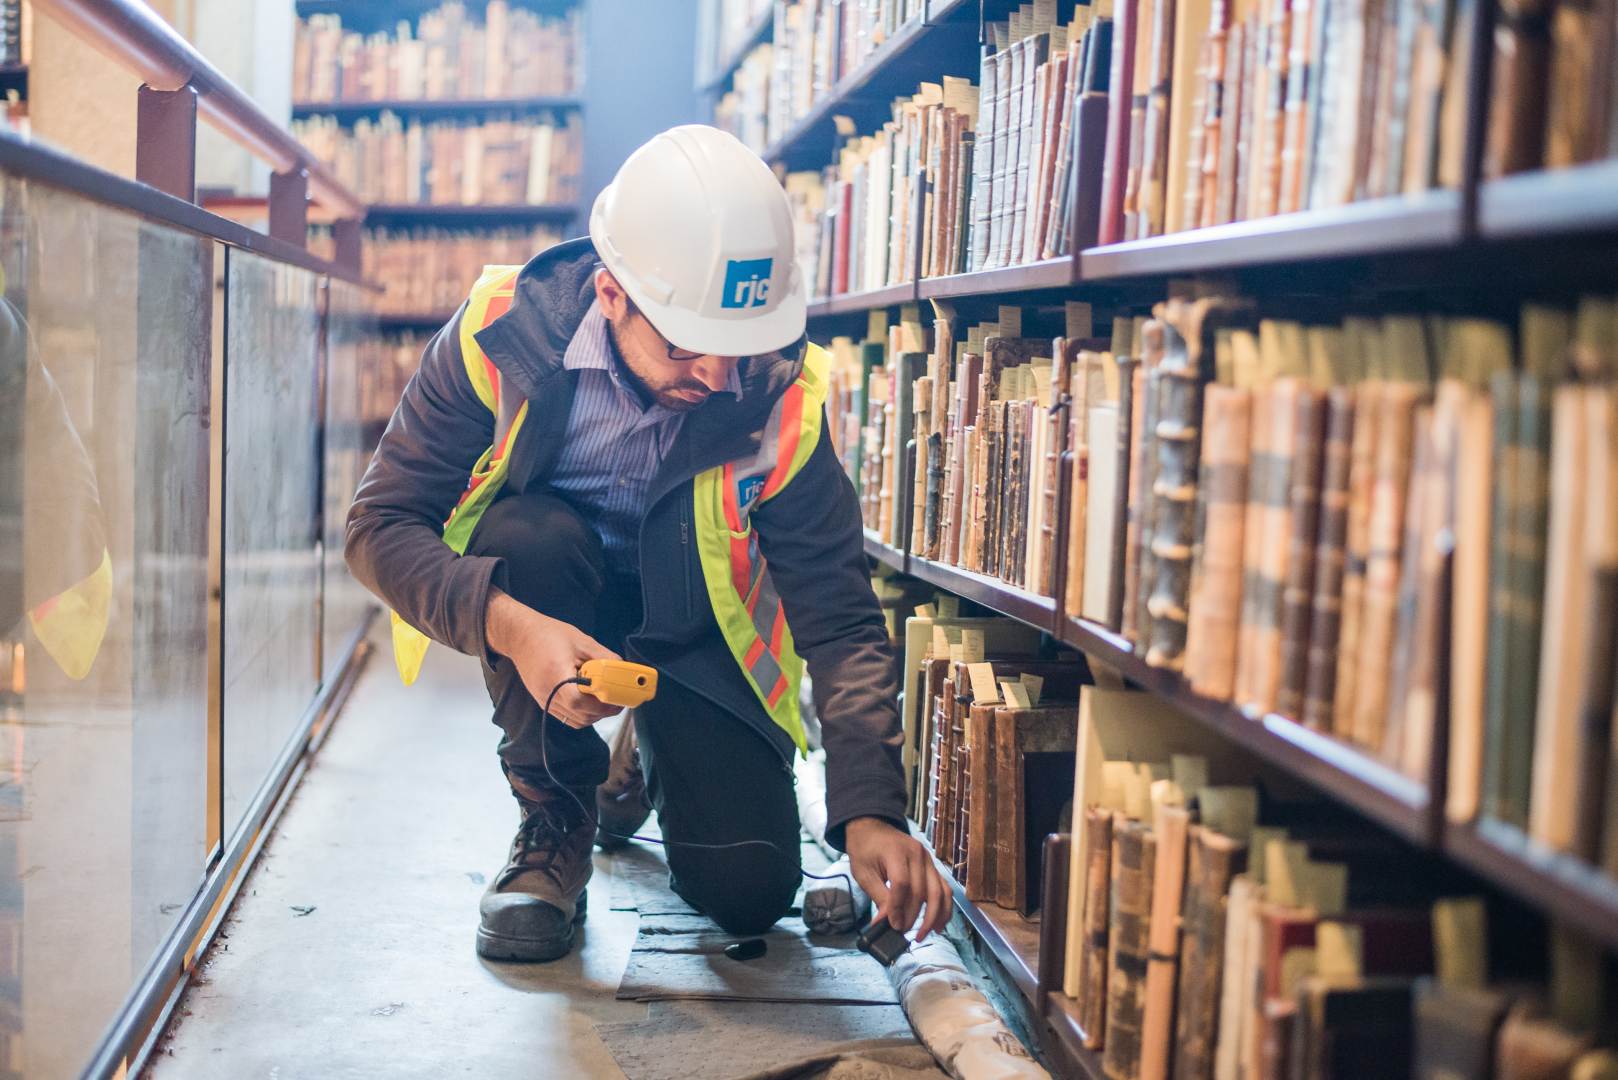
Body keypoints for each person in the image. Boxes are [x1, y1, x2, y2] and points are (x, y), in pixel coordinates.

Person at [345, 125, 951, 962]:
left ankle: (637, 757)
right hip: (549, 591)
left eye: (736, 347)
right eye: (684, 345)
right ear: (610, 294)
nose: (714, 376)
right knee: (529, 532)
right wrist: (516, 630)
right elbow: (376, 527)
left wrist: (874, 810)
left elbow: (840, 618)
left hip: (692, 627)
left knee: (749, 896)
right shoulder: (500, 332)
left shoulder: (777, 397)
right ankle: (555, 814)